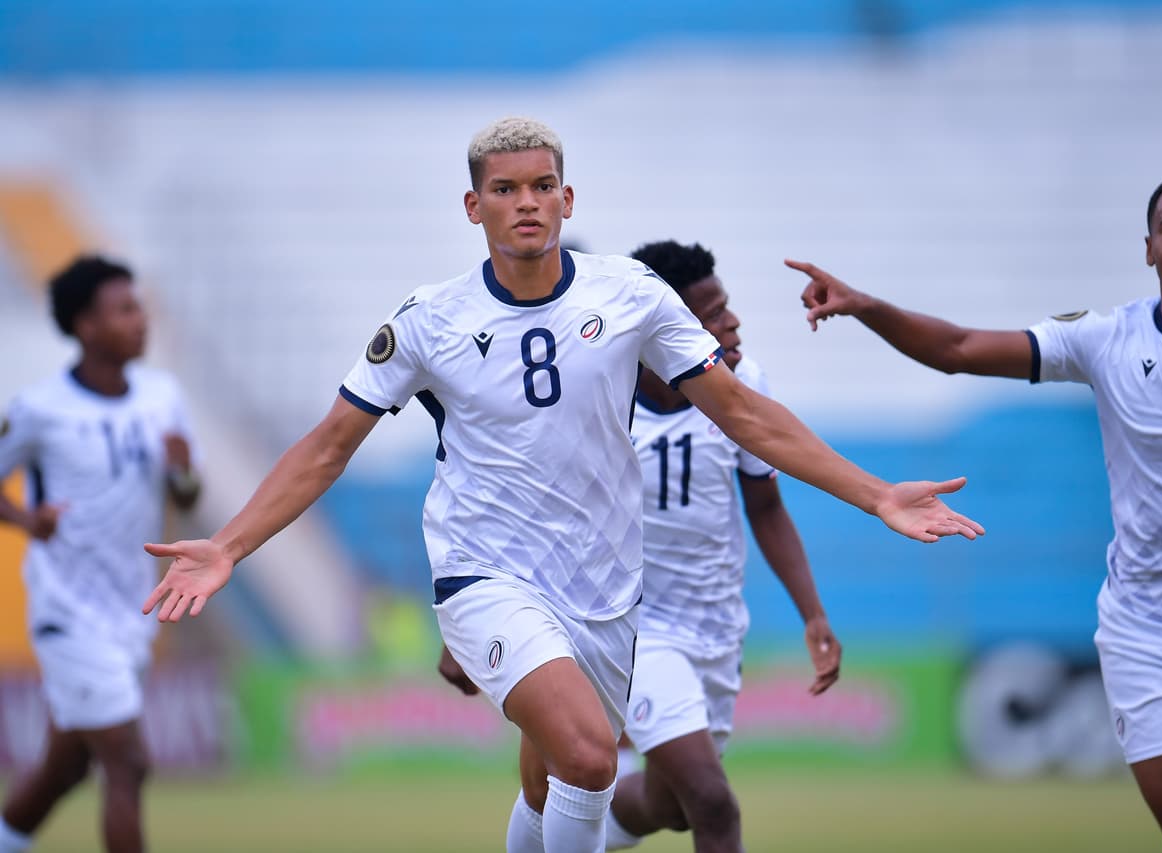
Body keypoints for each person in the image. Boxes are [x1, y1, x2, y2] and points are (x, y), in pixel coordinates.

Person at [143, 117, 982, 853]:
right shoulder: (429, 320)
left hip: (605, 590)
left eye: (543, 186)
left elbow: (744, 414)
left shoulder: (632, 296)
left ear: (567, 199)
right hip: (485, 576)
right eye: (505, 189)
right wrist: (229, 545)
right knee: (587, 757)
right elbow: (327, 447)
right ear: (473, 206)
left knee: (551, 788)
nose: (527, 203)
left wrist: (876, 493)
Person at [787, 171, 1162, 853]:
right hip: (1153, 636)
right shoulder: (1106, 339)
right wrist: (866, 306)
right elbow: (957, 349)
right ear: (1148, 247)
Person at [610, 240, 840, 851]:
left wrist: (813, 613)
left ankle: (577, 825)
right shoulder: (605, 400)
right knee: (713, 802)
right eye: (711, 315)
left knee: (673, 806)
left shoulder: (744, 386)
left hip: (716, 630)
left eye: (726, 306)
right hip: (636, 629)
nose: (733, 322)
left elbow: (766, 508)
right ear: (665, 329)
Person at [0, 256, 202, 853]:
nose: (141, 320)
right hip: (67, 612)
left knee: (63, 770)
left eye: (139, 307)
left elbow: (188, 496)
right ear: (86, 326)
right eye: (125, 310)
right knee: (128, 762)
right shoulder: (40, 409)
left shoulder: (162, 396)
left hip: (130, 613)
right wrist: (27, 520)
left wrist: (183, 473)